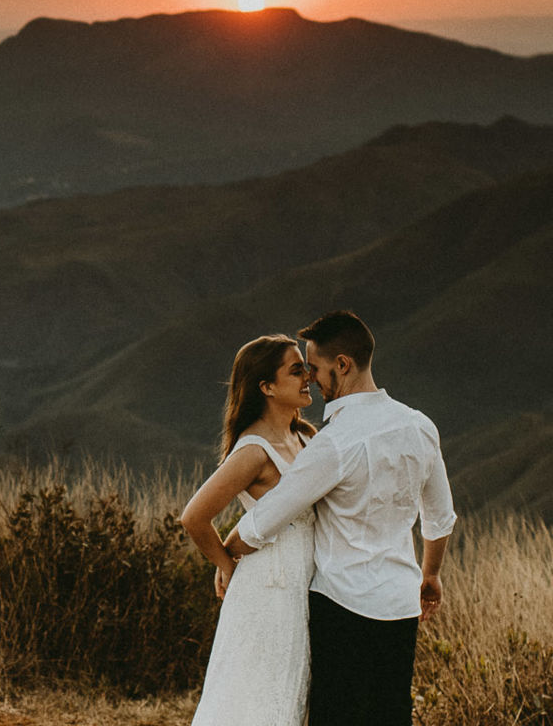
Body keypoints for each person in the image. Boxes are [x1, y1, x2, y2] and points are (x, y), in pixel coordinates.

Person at [225, 310, 455, 726]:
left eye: (314, 368)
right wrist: (430, 574)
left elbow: (266, 519)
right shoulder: (420, 426)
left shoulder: (333, 443)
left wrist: (228, 554)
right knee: (390, 715)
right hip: (400, 603)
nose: (311, 379)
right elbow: (439, 518)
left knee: (337, 715)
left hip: (342, 605)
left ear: (343, 365)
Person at [178, 334, 318, 726]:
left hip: (302, 583)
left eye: (305, 368)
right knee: (255, 693)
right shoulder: (254, 450)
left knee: (288, 691)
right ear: (267, 386)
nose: (307, 376)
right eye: (296, 371)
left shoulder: (305, 436)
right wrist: (227, 565)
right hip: (267, 587)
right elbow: (194, 516)